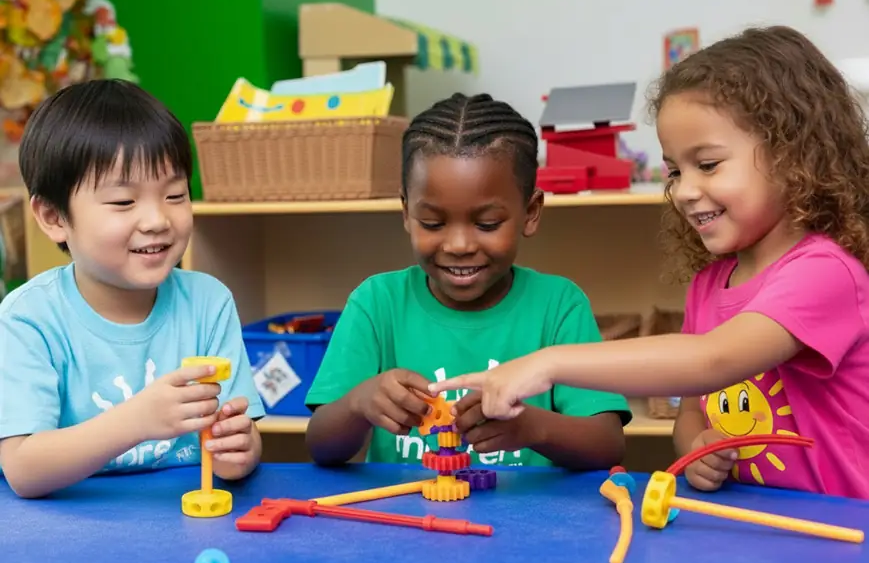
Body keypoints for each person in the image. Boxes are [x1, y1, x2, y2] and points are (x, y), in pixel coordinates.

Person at [431, 26, 869, 500]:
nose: (684, 191)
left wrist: (547, 363)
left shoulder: (826, 272)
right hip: (761, 528)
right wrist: (697, 449)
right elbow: (692, 412)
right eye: (675, 171)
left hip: (841, 529)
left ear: (793, 156)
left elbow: (712, 361)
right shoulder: (710, 284)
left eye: (708, 164)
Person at [304, 93, 631, 470]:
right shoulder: (376, 303)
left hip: (528, 510)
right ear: (407, 213)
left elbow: (608, 444)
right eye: (433, 223)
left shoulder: (559, 305)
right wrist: (357, 404)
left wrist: (533, 428)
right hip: (406, 508)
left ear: (530, 212)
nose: (458, 245)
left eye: (487, 224)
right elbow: (321, 447)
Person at [0, 79, 265, 499]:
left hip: (181, 522)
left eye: (175, 195)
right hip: (67, 528)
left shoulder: (208, 302)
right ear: (53, 217)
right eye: (123, 202)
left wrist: (240, 451)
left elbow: (239, 433)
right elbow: (23, 470)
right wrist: (137, 421)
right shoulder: (27, 318)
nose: (157, 220)